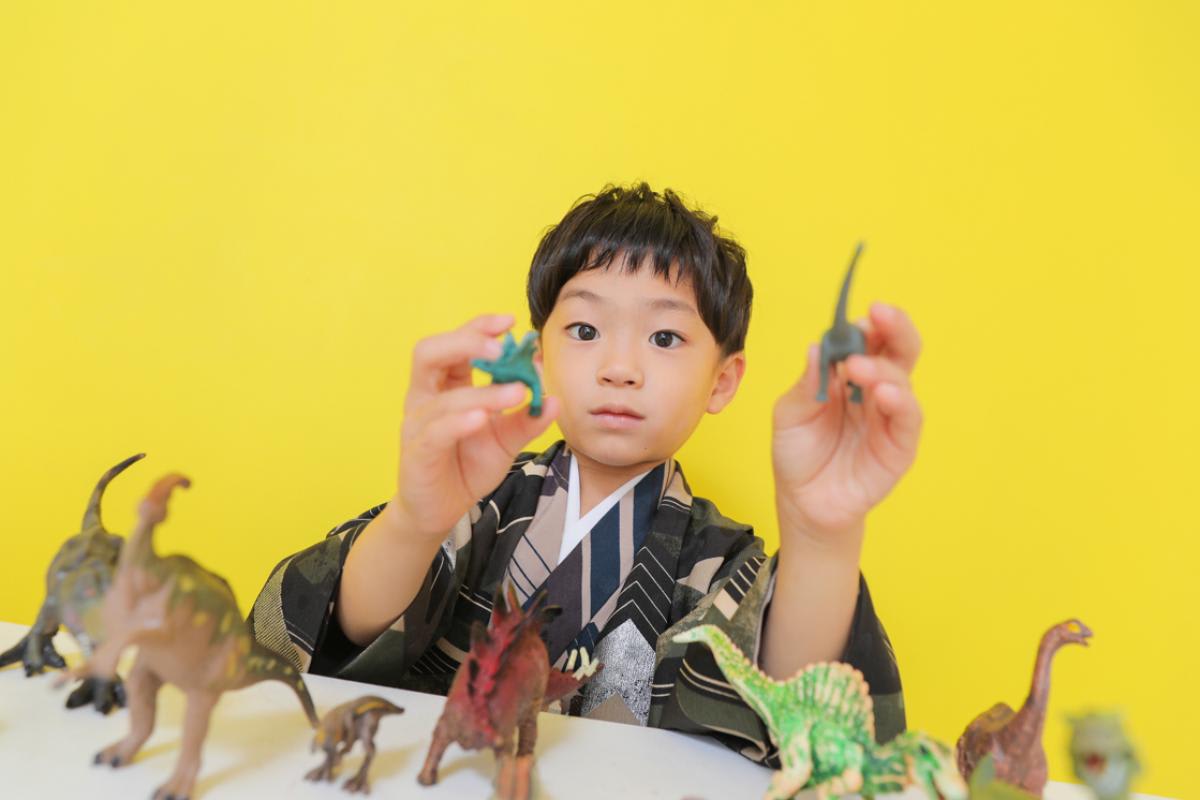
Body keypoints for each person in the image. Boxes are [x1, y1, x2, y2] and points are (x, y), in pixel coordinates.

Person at [248, 183, 924, 764]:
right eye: (584, 330)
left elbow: (791, 708)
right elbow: (346, 631)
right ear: (538, 358)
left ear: (723, 380)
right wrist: (415, 520)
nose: (619, 366)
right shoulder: (483, 499)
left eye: (665, 338)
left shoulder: (718, 559)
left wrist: (821, 538)